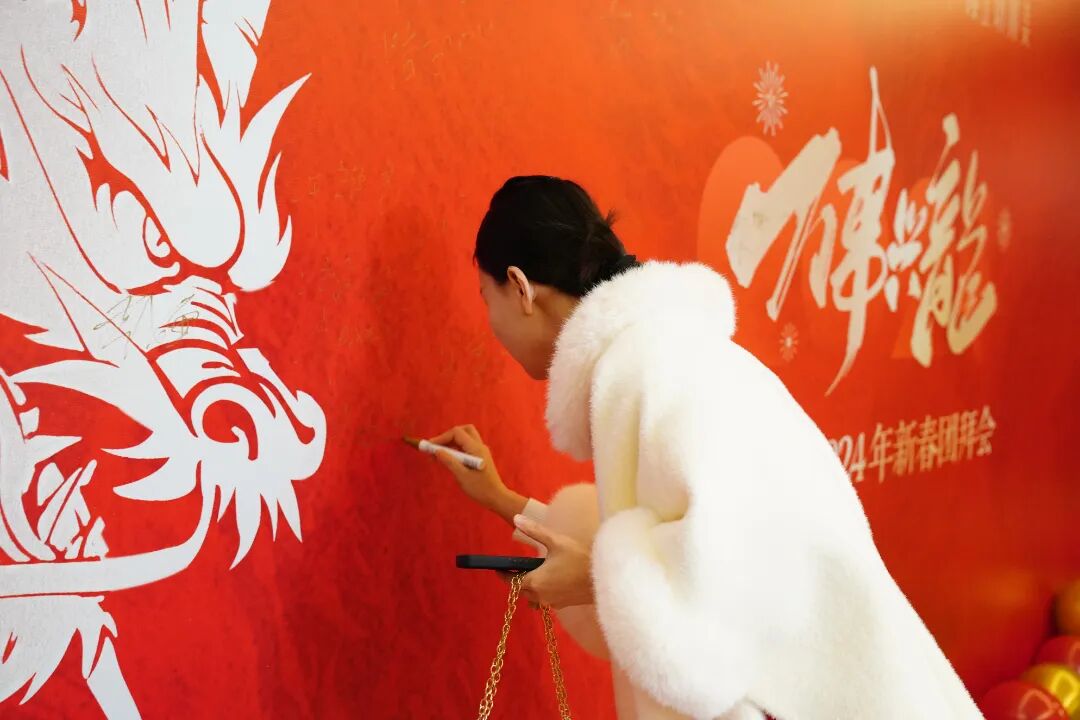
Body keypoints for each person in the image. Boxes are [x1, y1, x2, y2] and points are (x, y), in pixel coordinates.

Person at [427, 175, 983, 720]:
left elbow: (719, 580)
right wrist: (502, 499)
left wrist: (592, 577)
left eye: (486, 297)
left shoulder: (646, 366)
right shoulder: (666, 352)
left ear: (521, 288)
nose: (491, 322)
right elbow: (681, 539)